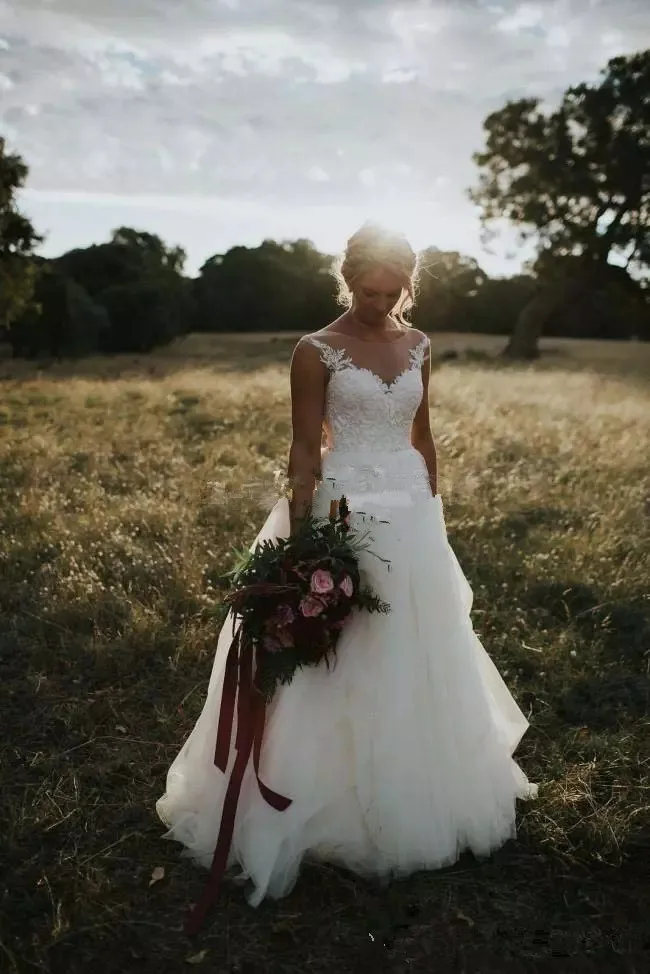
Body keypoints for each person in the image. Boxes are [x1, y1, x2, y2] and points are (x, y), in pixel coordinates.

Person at [156, 222, 537, 911]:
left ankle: (419, 788)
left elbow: (424, 437)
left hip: (413, 516)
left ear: (408, 287)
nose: (380, 303)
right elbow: (305, 450)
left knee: (416, 646)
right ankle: (325, 797)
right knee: (340, 649)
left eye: (393, 293)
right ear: (347, 278)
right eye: (369, 291)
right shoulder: (315, 352)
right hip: (345, 512)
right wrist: (299, 552)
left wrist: (435, 516)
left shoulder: (419, 345)